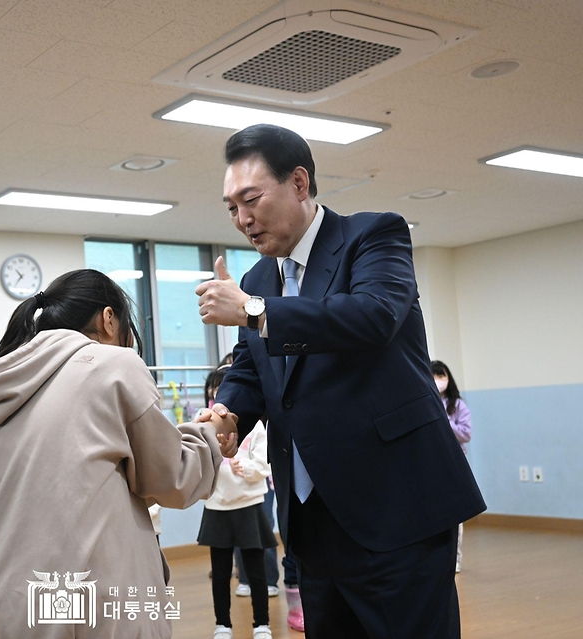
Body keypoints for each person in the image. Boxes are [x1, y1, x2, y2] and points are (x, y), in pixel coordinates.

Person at [195, 124, 486, 639]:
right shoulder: (258, 278)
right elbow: (250, 366)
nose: (242, 219)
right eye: (231, 208)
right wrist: (230, 413)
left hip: (399, 511)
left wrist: (255, 311)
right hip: (312, 519)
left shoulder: (372, 236)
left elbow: (372, 317)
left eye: (252, 200)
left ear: (300, 184)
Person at [0, 269, 237, 639]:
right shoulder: (113, 365)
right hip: (83, 605)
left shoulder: (7, 379)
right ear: (109, 319)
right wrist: (211, 432)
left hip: (0, 595)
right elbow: (173, 480)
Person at [199, 421, 275, 639]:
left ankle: (262, 624)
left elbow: (263, 466)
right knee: (220, 573)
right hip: (217, 505)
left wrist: (240, 463)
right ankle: (222, 624)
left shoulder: (256, 427)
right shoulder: (206, 425)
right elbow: (199, 462)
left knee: (256, 572)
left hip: (248, 504)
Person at [432, 360, 472, 572]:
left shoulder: (458, 405)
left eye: (442, 375)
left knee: (456, 513)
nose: (439, 380)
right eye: (434, 375)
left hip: (454, 462)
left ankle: (455, 558)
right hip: (431, 463)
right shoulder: (425, 402)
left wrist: (443, 420)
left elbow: (466, 433)